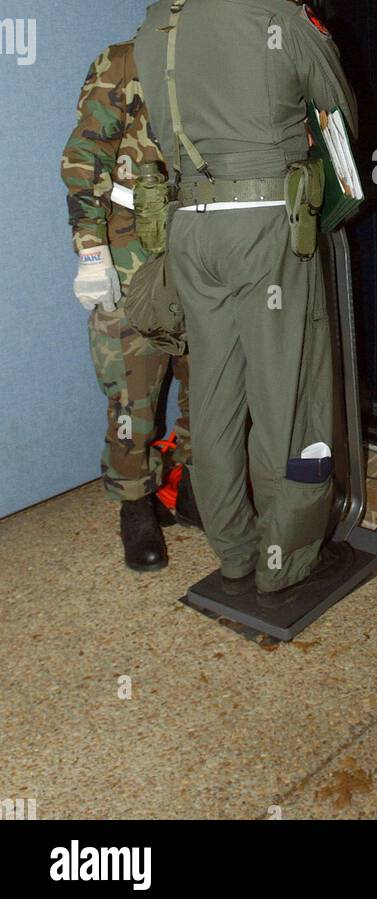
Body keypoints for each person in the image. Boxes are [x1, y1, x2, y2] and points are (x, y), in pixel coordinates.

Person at [133, 0, 357, 607]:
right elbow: (339, 120)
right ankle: (284, 560)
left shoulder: (155, 23)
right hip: (266, 225)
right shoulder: (276, 19)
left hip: (191, 227)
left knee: (219, 396)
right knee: (288, 396)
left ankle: (232, 552)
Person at [61, 41, 200, 572]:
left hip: (208, 239)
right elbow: (84, 156)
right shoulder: (127, 59)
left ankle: (193, 486)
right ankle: (134, 502)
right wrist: (91, 248)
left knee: (207, 376)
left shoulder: (224, 50)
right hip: (131, 243)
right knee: (132, 388)